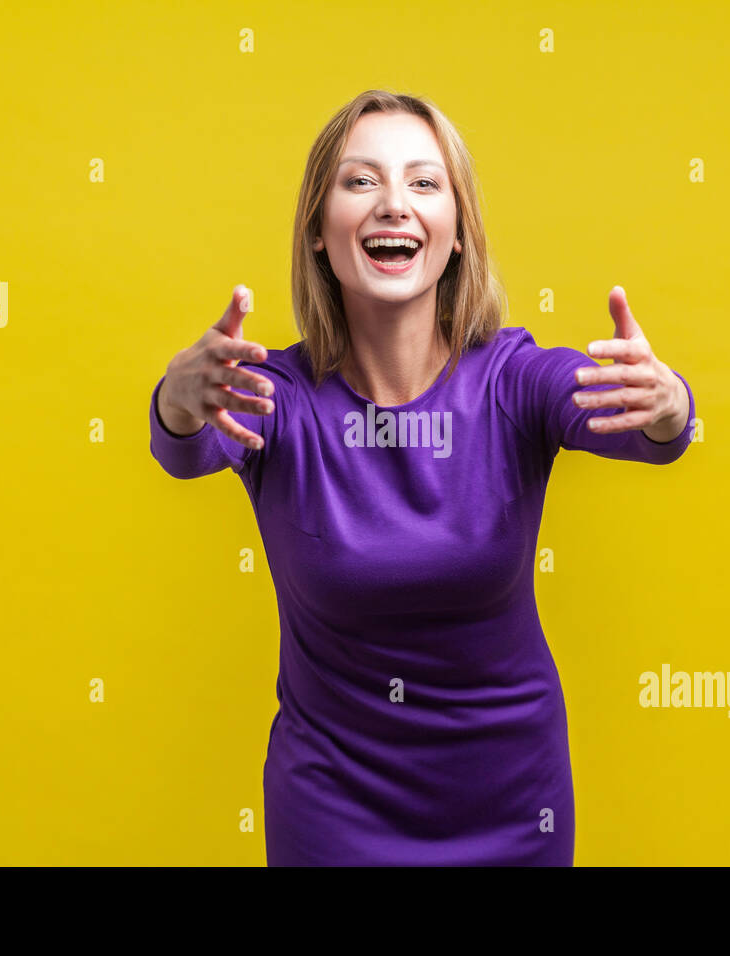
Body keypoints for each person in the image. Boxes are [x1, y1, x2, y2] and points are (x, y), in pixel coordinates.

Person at [149, 90, 695, 865]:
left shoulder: (512, 381)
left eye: (424, 183)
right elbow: (187, 447)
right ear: (316, 230)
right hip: (332, 811)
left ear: (460, 235)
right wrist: (178, 399)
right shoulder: (278, 398)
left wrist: (669, 405)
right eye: (362, 181)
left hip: (513, 806)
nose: (394, 205)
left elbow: (637, 425)